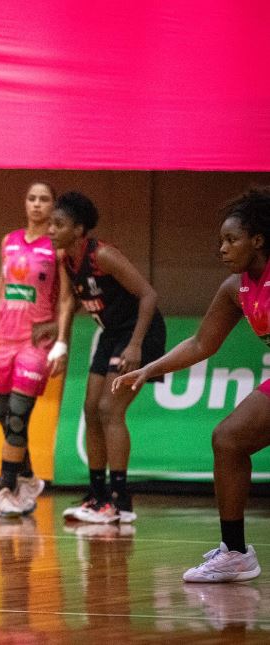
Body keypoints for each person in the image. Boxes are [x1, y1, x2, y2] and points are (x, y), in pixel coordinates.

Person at [113, 186, 269, 582]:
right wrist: (149, 368)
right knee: (228, 439)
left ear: (258, 240)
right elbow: (202, 343)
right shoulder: (235, 289)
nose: (222, 248)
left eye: (231, 240)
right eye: (221, 240)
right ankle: (235, 553)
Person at [48, 191, 166, 524]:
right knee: (90, 409)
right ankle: (97, 495)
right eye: (51, 224)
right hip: (111, 334)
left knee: (109, 410)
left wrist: (136, 345)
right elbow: (69, 302)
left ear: (80, 229)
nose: (51, 230)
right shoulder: (65, 259)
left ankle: (121, 500)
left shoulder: (104, 256)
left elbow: (148, 295)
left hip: (138, 333)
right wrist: (57, 337)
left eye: (59, 224)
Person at [0, 181, 74, 518]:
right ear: (25, 203)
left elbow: (66, 299)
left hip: (36, 342)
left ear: (53, 206)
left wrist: (61, 342)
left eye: (45, 199)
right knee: (4, 414)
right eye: (32, 198)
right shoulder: (9, 242)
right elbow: (0, 293)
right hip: (5, 339)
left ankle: (6, 488)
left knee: (17, 415)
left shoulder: (57, 248)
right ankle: (29, 476)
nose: (37, 205)